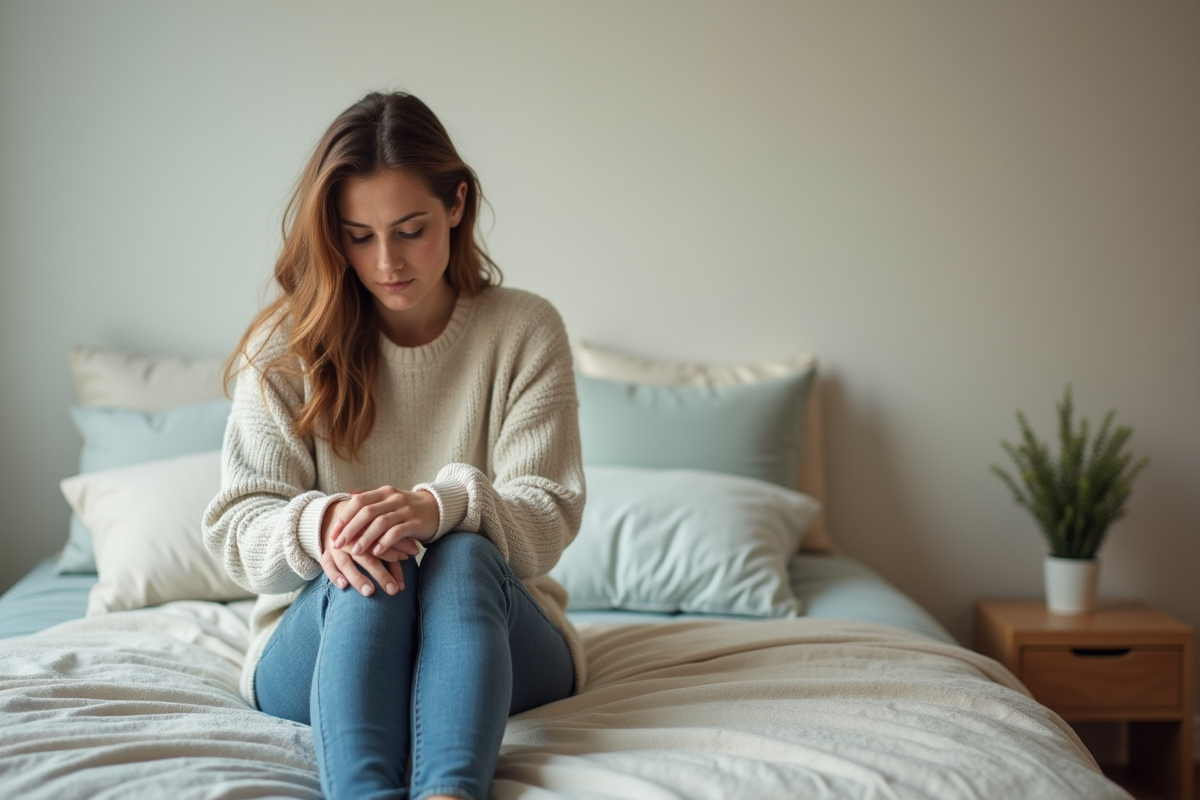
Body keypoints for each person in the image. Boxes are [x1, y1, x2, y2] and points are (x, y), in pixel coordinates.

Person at [202, 91, 585, 800]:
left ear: (457, 204)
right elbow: (234, 530)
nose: (386, 262)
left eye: (410, 230)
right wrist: (325, 526)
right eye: (358, 235)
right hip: (319, 644)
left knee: (464, 551)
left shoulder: (525, 329)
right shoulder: (284, 346)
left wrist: (438, 508)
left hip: (502, 643)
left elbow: (549, 511)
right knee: (369, 560)